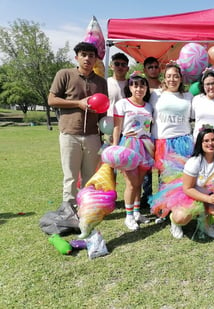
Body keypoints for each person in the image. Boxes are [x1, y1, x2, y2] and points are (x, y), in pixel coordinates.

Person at [48, 42, 108, 206]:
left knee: (90, 177)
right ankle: (69, 211)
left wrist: (103, 136)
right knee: (71, 177)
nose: (87, 58)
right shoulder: (65, 74)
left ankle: (87, 210)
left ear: (96, 59)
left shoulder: (101, 82)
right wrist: (78, 103)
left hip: (92, 136)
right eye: (83, 54)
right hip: (70, 135)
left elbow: (103, 110)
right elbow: (52, 100)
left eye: (91, 55)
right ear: (77, 57)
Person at [152, 128, 214, 239]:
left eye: (213, 140)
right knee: (181, 218)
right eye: (206, 141)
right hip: (190, 194)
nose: (210, 143)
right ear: (200, 143)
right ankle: (175, 222)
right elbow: (188, 188)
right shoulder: (194, 162)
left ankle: (206, 223)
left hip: (211, 194)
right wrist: (207, 199)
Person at [149, 61, 194, 223]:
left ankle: (178, 211)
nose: (172, 79)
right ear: (164, 78)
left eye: (175, 76)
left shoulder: (189, 96)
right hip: (163, 142)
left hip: (183, 142)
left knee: (181, 180)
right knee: (164, 179)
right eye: (169, 76)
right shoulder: (155, 95)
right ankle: (164, 210)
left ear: (181, 78)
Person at [112, 73, 153, 230]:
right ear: (129, 87)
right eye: (135, 85)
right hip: (129, 146)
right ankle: (128, 216)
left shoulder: (149, 106)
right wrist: (115, 146)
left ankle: (136, 212)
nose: (139, 89)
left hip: (145, 146)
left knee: (139, 183)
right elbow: (117, 127)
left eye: (142, 85)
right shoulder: (122, 104)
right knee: (131, 183)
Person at [141, 56, 162, 209]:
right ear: (145, 70)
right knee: (145, 168)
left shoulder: (165, 86)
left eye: (156, 66)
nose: (153, 69)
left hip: (161, 134)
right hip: (145, 135)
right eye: (150, 67)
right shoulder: (140, 87)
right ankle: (146, 197)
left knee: (162, 167)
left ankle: (162, 196)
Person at [191, 68, 214, 142]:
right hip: (199, 143)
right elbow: (191, 118)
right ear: (203, 86)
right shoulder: (196, 99)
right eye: (207, 84)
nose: (211, 87)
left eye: (213, 83)